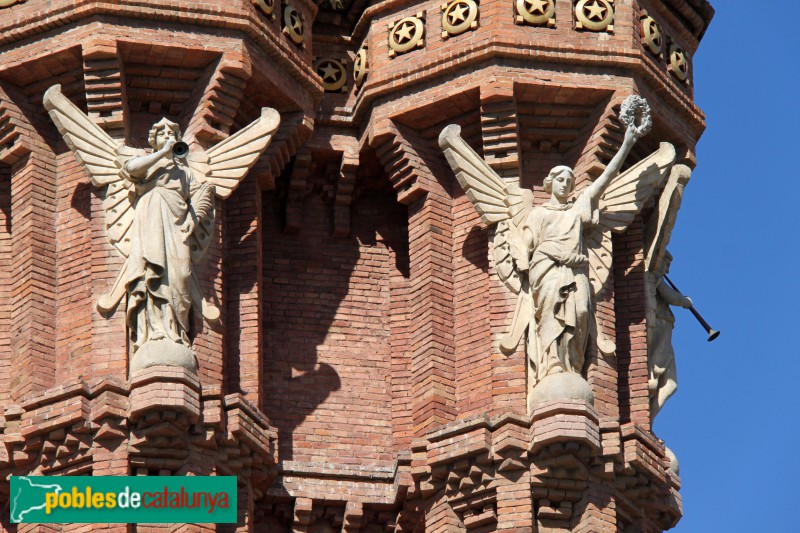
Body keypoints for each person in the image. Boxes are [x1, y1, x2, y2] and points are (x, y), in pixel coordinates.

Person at [522, 122, 638, 384]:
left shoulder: (577, 210)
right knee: (551, 314)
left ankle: (573, 365)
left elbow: (604, 179)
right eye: (559, 180)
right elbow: (528, 243)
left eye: (568, 181)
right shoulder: (539, 213)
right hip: (547, 269)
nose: (564, 184)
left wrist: (628, 143)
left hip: (576, 270)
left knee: (582, 313)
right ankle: (551, 364)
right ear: (550, 184)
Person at [120, 119, 215, 352]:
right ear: (154, 140)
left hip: (177, 224)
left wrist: (194, 218)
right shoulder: (148, 163)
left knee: (180, 274)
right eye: (162, 134)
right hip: (152, 216)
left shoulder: (184, 173)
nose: (168, 137)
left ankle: (177, 330)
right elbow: (131, 170)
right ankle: (154, 332)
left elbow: (200, 196)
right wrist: (162, 153)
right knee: (150, 270)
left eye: (171, 134)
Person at [647, 251, 692, 420]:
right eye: (667, 265)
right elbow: (671, 297)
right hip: (659, 329)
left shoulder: (659, 277)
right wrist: (684, 301)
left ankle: (649, 418)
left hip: (665, 330)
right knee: (655, 378)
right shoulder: (655, 276)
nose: (668, 271)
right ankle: (645, 416)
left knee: (671, 384)